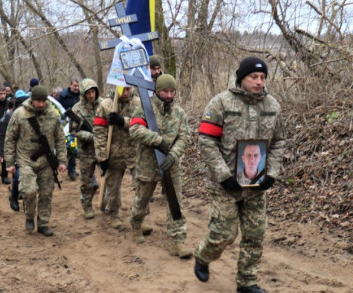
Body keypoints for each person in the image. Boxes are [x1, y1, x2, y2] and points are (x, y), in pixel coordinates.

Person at [194, 57, 285, 293]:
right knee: (223, 234)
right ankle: (203, 256)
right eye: (253, 77)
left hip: (256, 183)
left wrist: (272, 173)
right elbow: (206, 140)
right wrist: (223, 175)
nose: (259, 82)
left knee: (255, 235)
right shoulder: (221, 103)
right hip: (225, 185)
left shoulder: (272, 106)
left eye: (263, 77)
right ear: (241, 77)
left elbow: (278, 142)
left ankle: (247, 282)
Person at [129, 74, 193, 258]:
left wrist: (173, 154)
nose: (169, 94)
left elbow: (184, 137)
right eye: (165, 91)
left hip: (170, 165)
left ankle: (177, 241)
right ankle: (136, 223)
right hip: (148, 164)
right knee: (142, 200)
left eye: (172, 91)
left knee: (175, 203)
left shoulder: (179, 112)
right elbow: (134, 129)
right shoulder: (145, 107)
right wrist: (158, 140)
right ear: (157, 91)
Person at [4, 85, 67, 236]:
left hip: (46, 162)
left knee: (46, 193)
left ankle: (43, 223)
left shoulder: (53, 115)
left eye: (43, 101)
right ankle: (29, 216)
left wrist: (62, 160)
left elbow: (60, 139)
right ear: (32, 100)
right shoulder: (19, 114)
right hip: (25, 160)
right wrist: (9, 163)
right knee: (29, 191)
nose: (40, 104)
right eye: (37, 101)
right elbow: (10, 139)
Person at [93, 86, 140, 230]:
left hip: (134, 151)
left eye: (128, 89)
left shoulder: (138, 103)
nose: (126, 93)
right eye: (123, 90)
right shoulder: (106, 105)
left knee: (141, 186)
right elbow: (99, 132)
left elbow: (143, 124)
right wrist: (102, 157)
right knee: (112, 186)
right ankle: (113, 214)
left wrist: (123, 121)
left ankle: (140, 218)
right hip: (113, 152)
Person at [69, 78, 103, 219]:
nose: (91, 95)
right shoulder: (77, 109)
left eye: (93, 91)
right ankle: (87, 205)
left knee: (108, 177)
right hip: (86, 150)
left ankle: (106, 202)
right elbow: (73, 130)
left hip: (102, 148)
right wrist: (89, 136)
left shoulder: (103, 105)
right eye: (88, 93)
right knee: (86, 181)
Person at [0, 90, 30, 211]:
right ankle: (14, 196)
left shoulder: (31, 116)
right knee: (18, 175)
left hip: (29, 151)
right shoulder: (8, 117)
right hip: (13, 151)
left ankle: (26, 202)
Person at [57, 76, 81, 180]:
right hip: (65, 125)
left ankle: (72, 169)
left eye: (78, 86)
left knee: (75, 147)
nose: (76, 88)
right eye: (75, 85)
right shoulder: (63, 96)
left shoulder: (82, 95)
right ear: (70, 85)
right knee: (68, 147)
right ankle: (66, 167)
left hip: (78, 125)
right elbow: (58, 109)